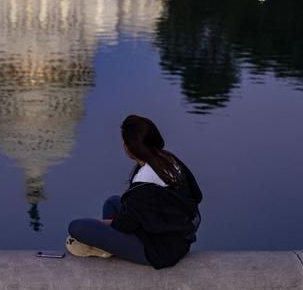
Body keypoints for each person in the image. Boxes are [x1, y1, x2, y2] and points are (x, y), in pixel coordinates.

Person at [66, 115, 202, 269]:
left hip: (160, 250)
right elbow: (197, 196)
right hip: (178, 237)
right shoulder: (169, 159)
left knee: (77, 227)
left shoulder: (144, 180)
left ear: (129, 147)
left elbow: (123, 225)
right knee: (111, 203)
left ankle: (104, 247)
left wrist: (99, 223)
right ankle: (106, 247)